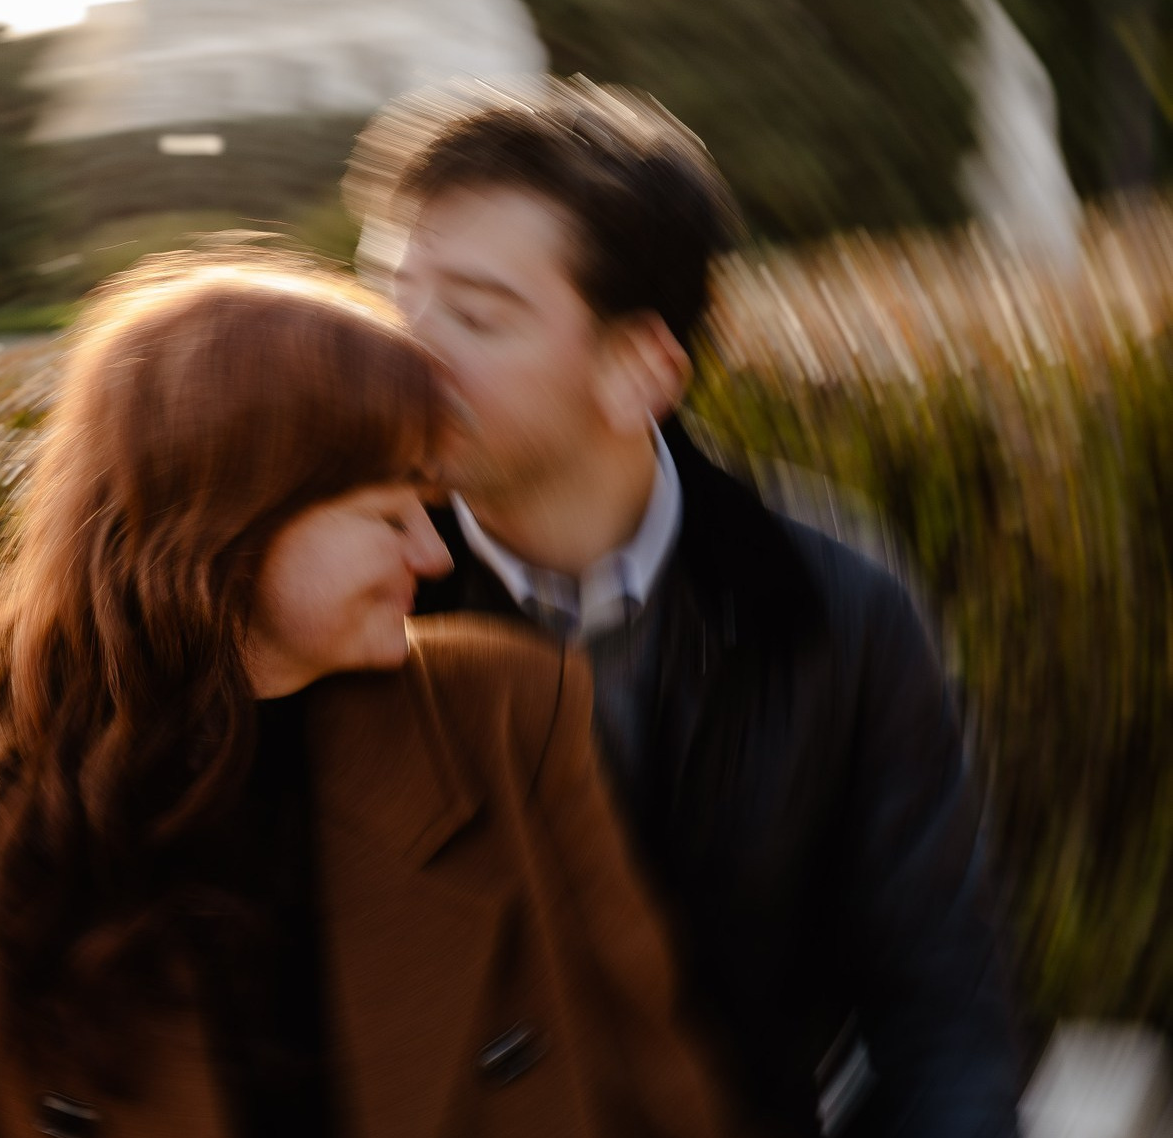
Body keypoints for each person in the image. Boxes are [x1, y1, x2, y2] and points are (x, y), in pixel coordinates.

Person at [0, 251, 738, 1138]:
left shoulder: (503, 713)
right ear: (228, 529)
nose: (433, 553)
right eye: (389, 514)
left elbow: (657, 1075)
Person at [345, 78, 1024, 1138]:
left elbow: (941, 1004)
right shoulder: (342, 605)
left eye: (474, 315)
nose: (399, 343)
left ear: (638, 372)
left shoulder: (835, 606)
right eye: (390, 289)